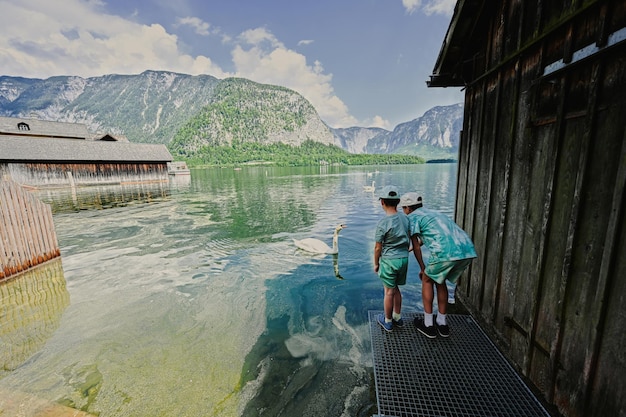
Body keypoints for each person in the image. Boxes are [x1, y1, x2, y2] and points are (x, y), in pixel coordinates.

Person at [400, 192, 477, 338]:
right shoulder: (433, 213)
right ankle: (442, 323)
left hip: (445, 253)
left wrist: (423, 268)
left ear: (408, 209)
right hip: (465, 250)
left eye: (403, 208)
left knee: (427, 279)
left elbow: (416, 247)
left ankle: (428, 325)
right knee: (439, 280)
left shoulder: (411, 218)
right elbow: (435, 234)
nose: (403, 211)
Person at [374, 185, 410, 332]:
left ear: (382, 202)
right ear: (399, 201)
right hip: (404, 260)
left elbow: (378, 248)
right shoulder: (405, 219)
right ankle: (397, 317)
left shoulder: (383, 223)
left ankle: (387, 321)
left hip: (389, 261)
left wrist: (376, 264)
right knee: (396, 289)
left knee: (388, 291)